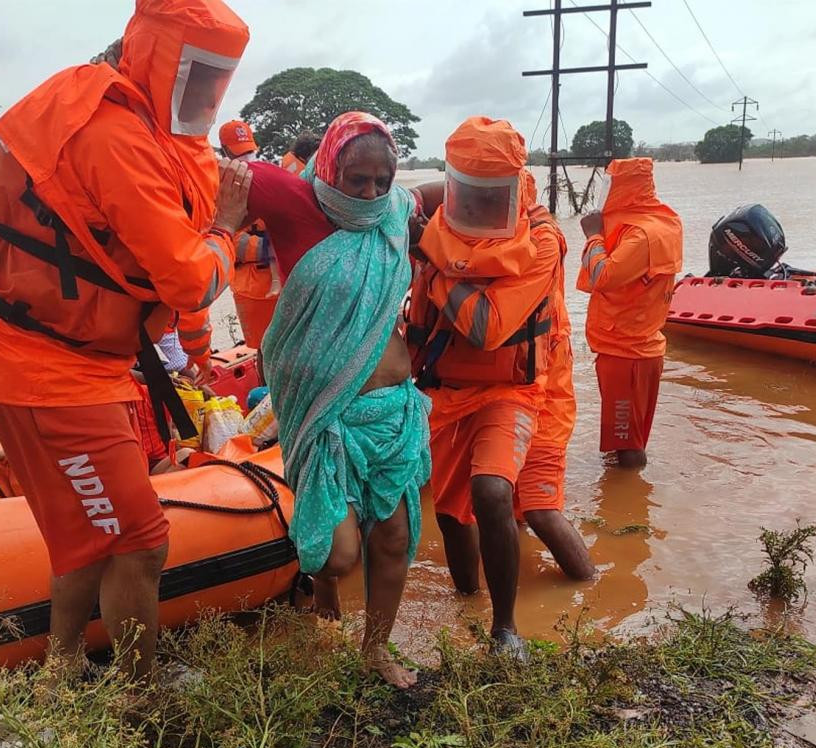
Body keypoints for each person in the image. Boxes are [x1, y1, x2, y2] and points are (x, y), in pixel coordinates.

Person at [0, 0, 251, 681]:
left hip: (54, 354)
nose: (206, 95)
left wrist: (200, 355)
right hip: (49, 368)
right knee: (142, 541)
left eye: (215, 79)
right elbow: (187, 280)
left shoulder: (107, 113)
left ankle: (60, 672)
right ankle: (138, 701)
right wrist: (228, 228)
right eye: (196, 76)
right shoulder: (112, 135)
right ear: (152, 60)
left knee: (88, 538)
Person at [242, 112, 431, 688]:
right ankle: (323, 592)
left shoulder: (397, 212)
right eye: (358, 180)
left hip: (393, 411)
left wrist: (516, 205)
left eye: (383, 178)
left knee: (395, 537)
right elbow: (200, 172)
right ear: (328, 166)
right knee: (339, 555)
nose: (372, 192)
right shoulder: (294, 202)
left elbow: (455, 187)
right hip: (326, 416)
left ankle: (375, 650)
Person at [407, 117, 564, 658]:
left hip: (509, 390)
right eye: (466, 193)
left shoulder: (540, 241)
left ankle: (506, 629)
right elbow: (407, 199)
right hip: (443, 391)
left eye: (489, 195)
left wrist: (434, 266)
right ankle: (467, 601)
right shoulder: (435, 212)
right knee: (451, 518)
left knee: (493, 491)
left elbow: (488, 328)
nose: (475, 208)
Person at [513, 180, 595, 581]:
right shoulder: (500, 238)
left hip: (544, 401)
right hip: (507, 398)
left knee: (541, 509)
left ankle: (587, 587)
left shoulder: (538, 243)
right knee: (506, 507)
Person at [577, 157, 682, 468]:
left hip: (626, 352)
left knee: (628, 447)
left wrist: (593, 236)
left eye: (610, 184)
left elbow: (604, 276)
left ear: (625, 188)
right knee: (626, 440)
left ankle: (626, 505)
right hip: (638, 346)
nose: (605, 192)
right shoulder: (663, 222)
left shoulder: (641, 235)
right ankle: (624, 494)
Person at [218, 119, 280, 348]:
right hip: (250, 288)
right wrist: (269, 248)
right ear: (224, 152)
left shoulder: (268, 177)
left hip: (280, 283)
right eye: (240, 154)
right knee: (262, 348)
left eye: (250, 152)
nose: (246, 159)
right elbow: (226, 240)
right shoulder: (217, 186)